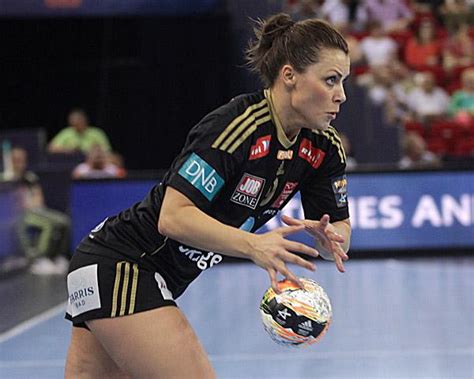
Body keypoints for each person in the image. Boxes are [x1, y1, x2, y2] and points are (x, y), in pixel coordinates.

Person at [65, 13, 352, 378]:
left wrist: (331, 241)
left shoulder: (323, 148)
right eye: (330, 80)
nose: (341, 95)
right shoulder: (236, 127)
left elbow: (340, 232)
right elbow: (173, 216)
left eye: (343, 81)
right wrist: (253, 245)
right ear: (289, 75)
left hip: (126, 272)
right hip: (123, 265)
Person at [8, 147, 71, 274]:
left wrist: (36, 206)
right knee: (48, 225)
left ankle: (56, 256)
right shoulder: (7, 178)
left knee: (64, 221)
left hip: (37, 210)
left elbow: (38, 197)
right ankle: (40, 259)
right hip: (20, 214)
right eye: (16, 160)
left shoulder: (30, 177)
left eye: (22, 160)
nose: (20, 163)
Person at [48, 108, 112, 154]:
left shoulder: (96, 133)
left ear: (84, 122)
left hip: (90, 164)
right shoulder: (67, 132)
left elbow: (107, 150)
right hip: (70, 162)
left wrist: (93, 150)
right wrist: (68, 150)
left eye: (78, 124)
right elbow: (51, 148)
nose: (76, 127)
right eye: (73, 125)